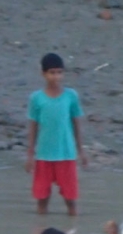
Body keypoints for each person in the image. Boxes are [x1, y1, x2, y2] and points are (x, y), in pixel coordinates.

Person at [25, 53, 87, 216]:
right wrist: (30, 155)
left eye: (59, 72)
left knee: (71, 201)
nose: (56, 77)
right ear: (43, 74)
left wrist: (81, 151)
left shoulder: (71, 96)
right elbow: (33, 127)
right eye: (52, 73)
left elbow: (76, 124)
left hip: (66, 154)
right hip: (43, 155)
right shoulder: (36, 98)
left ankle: (73, 229)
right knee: (41, 200)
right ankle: (41, 229)